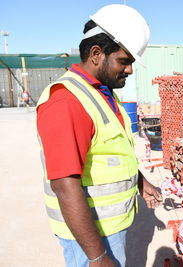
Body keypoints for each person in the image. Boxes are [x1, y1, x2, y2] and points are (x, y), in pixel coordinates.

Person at [36, 4, 162, 266]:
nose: (129, 70)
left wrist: (140, 182)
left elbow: (111, 154)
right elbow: (64, 185)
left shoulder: (103, 93)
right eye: (124, 61)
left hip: (110, 226)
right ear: (96, 54)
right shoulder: (67, 101)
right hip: (91, 236)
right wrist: (97, 256)